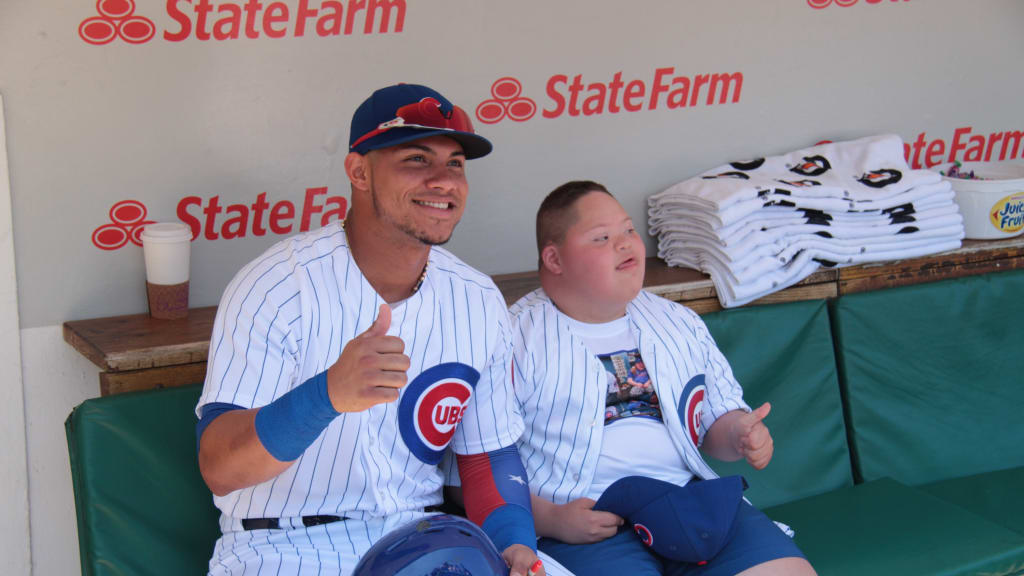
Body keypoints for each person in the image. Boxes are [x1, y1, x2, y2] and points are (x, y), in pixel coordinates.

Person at [194, 83, 546, 576]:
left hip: (427, 542)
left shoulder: (477, 297)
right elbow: (220, 468)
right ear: (359, 171)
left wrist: (514, 544)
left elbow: (487, 455)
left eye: (455, 164)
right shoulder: (277, 287)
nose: (443, 181)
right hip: (285, 546)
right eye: (417, 159)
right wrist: (327, 395)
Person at [509, 181, 817, 576]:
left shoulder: (677, 321)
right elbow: (475, 467)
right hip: (578, 521)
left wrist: (739, 432)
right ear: (554, 259)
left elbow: (713, 430)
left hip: (687, 500)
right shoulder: (513, 338)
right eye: (602, 237)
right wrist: (549, 520)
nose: (624, 244)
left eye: (628, 230)